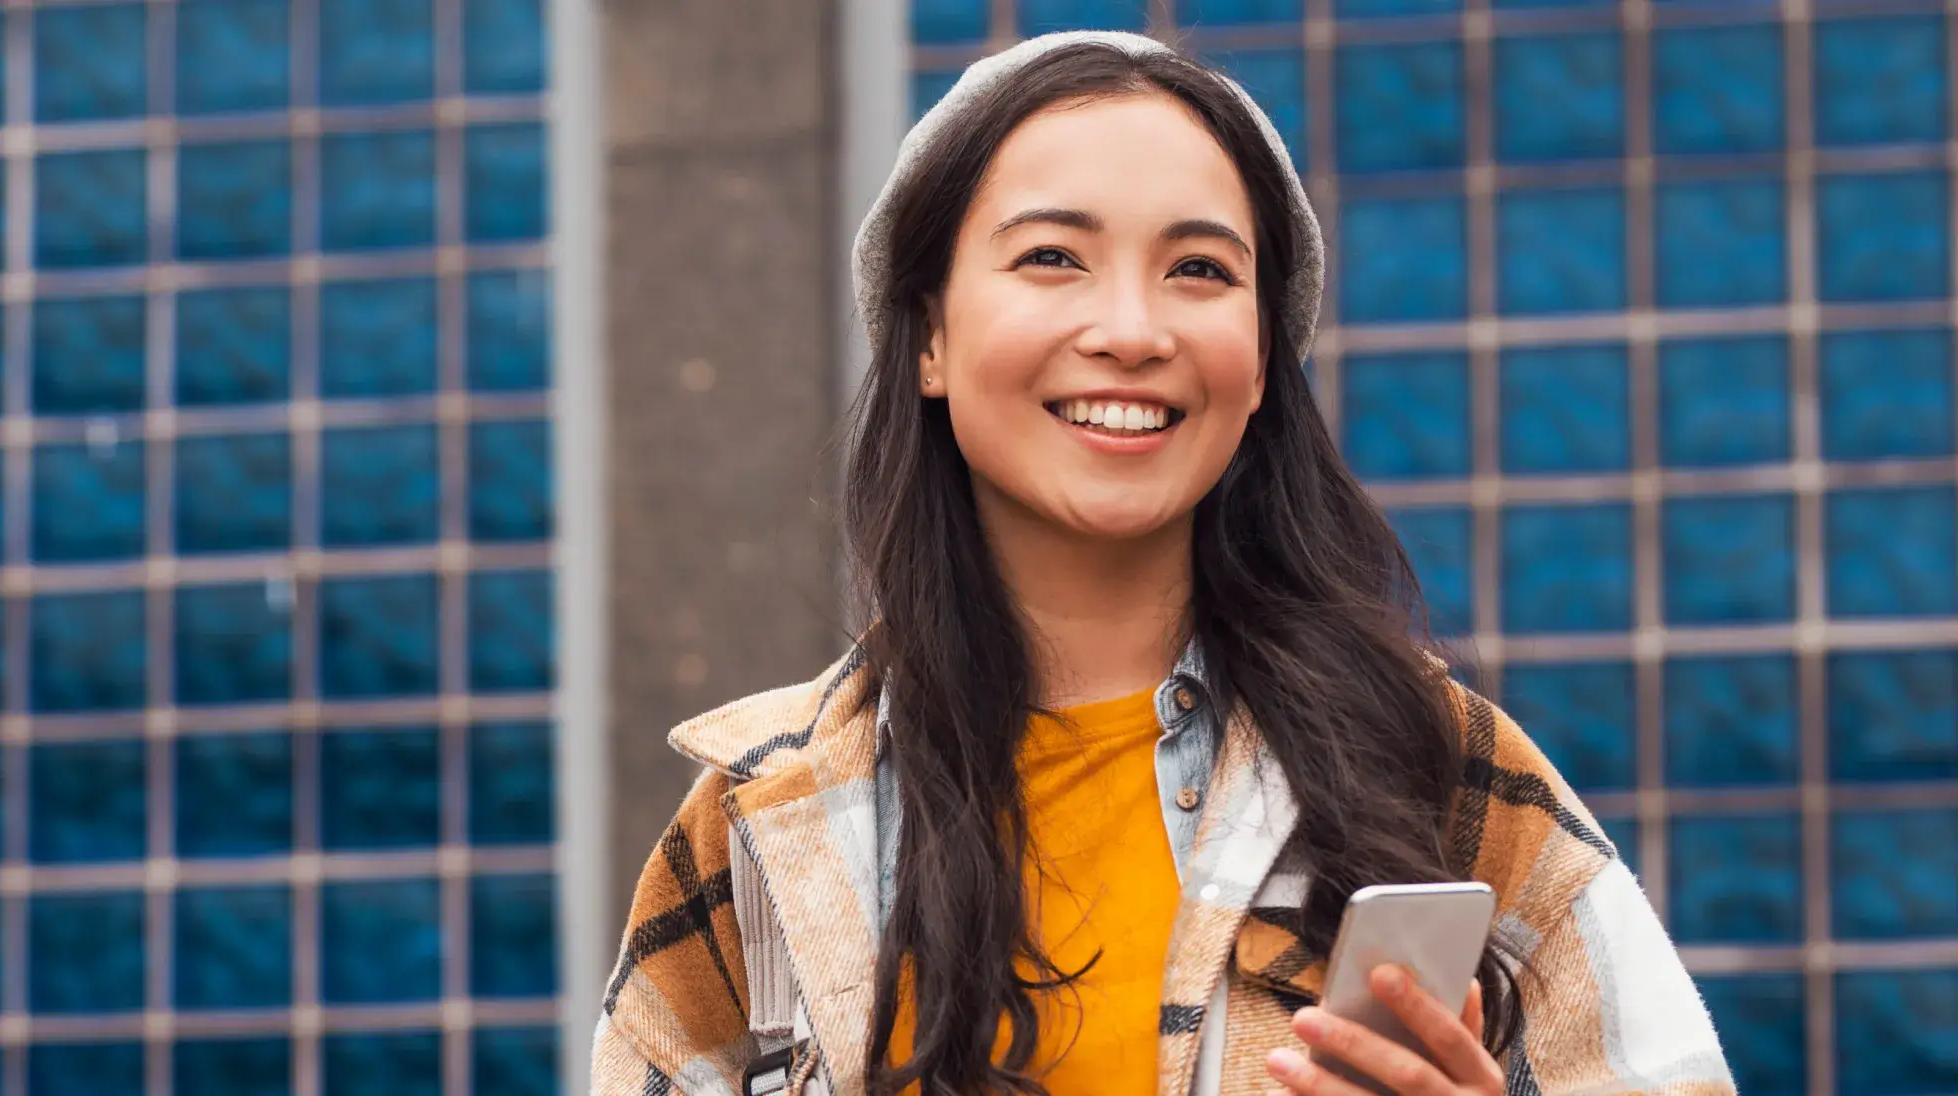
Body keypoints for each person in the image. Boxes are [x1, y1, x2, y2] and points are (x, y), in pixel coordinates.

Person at [588, 31, 1734, 1096]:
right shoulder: (758, 825)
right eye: (1050, 257)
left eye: (1197, 270)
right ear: (928, 335)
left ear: (1260, 357)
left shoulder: (1435, 770)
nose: (1132, 329)